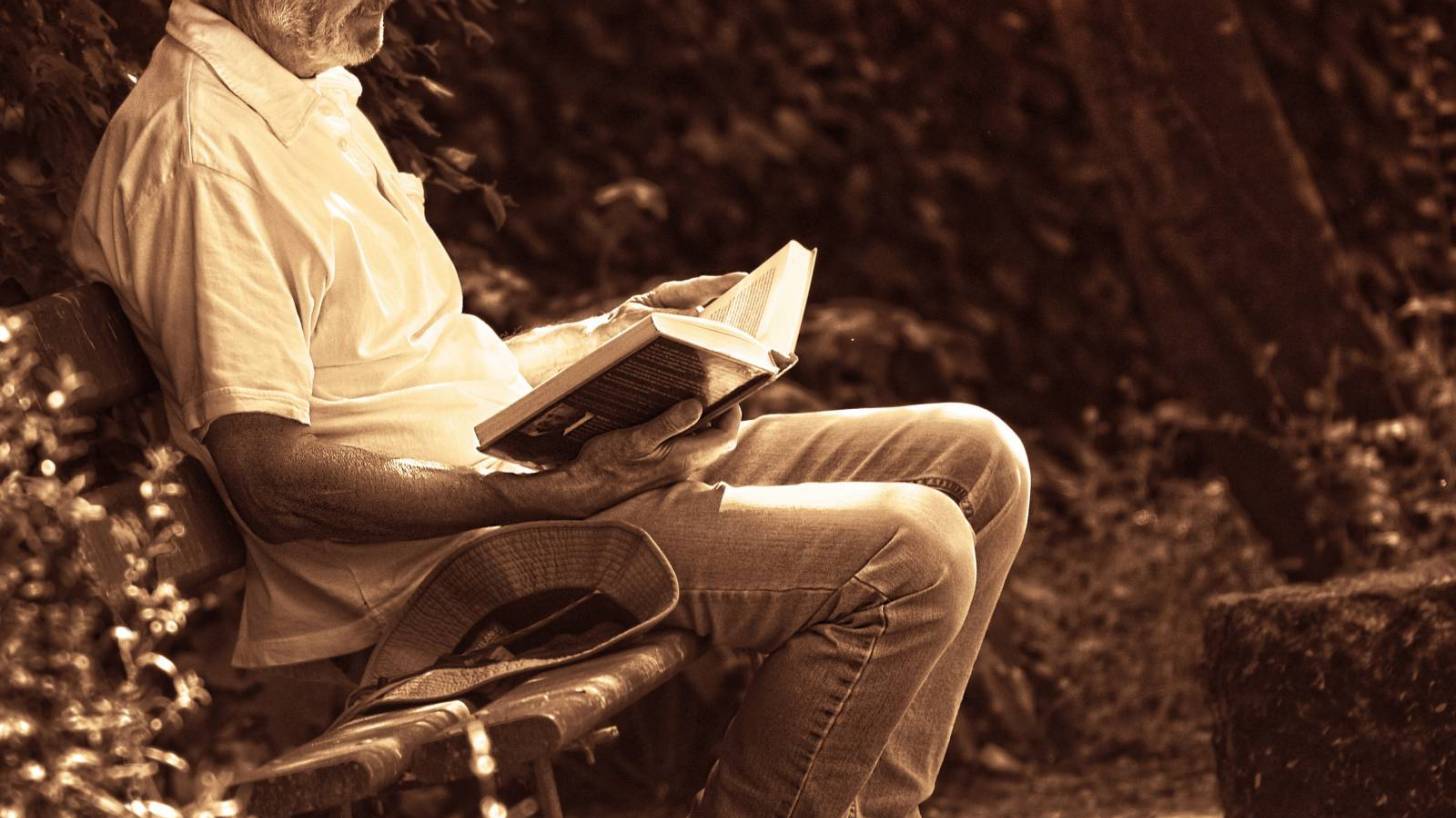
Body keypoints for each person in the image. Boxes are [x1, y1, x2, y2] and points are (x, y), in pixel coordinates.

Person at [67, 1, 1032, 816]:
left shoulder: (299, 94)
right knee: (911, 551)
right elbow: (271, 478)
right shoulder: (205, 159)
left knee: (977, 460)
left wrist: (620, 332)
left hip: (521, 490)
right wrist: (546, 500)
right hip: (444, 570)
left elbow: (412, 363)